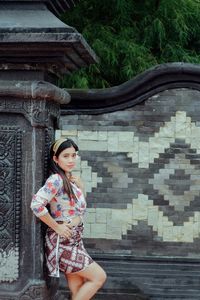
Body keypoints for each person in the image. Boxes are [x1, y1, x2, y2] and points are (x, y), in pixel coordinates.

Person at [31, 138, 107, 300]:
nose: (71, 160)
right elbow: (36, 205)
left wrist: (81, 187)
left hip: (75, 241)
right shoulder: (56, 180)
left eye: (74, 155)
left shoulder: (69, 180)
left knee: (78, 289)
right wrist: (57, 227)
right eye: (66, 156)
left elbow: (79, 211)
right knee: (99, 277)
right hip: (62, 242)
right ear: (55, 159)